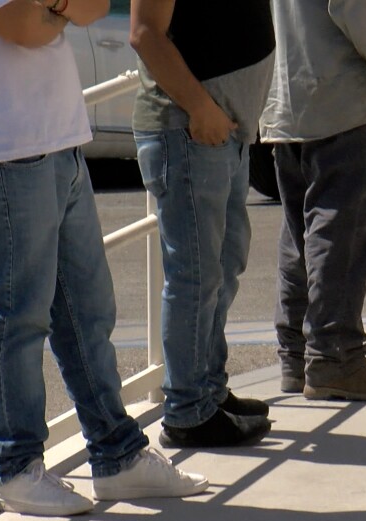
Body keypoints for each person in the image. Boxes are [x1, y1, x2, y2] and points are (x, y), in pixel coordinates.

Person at [0, 1, 208, 516]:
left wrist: (52, 8)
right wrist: (61, 9)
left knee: (87, 310)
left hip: (60, 140)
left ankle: (117, 456)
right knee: (17, 315)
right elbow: (25, 29)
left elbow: (94, 6)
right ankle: (14, 469)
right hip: (6, 151)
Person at [129, 0, 275, 446]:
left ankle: (208, 390)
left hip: (223, 129)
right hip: (191, 128)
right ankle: (189, 411)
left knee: (223, 266)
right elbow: (145, 33)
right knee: (196, 276)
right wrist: (201, 108)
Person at [259, 0, 366, 401]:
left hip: (286, 94)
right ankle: (335, 357)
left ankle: (298, 354)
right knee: (340, 227)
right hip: (343, 94)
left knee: (302, 230)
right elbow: (355, 7)